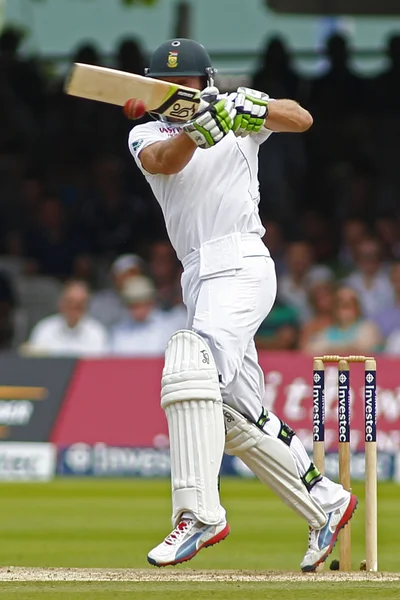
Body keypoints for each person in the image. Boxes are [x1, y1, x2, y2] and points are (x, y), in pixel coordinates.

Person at [126, 38, 356, 572]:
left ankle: (198, 514)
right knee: (233, 415)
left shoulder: (237, 113)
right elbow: (164, 159)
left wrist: (253, 106)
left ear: (206, 80)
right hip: (198, 275)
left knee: (190, 366)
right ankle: (326, 502)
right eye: (169, 85)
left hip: (242, 260)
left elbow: (300, 119)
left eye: (189, 84)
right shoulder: (147, 132)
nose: (180, 92)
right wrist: (194, 131)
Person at [25, 280, 108, 357]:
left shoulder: (97, 332)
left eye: (79, 305)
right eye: (70, 303)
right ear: (61, 303)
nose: (74, 308)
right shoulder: (45, 329)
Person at [109, 275, 185, 356]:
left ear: (151, 302)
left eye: (142, 303)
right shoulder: (119, 332)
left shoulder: (168, 328)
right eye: (133, 305)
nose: (138, 310)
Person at [303, 286, 382, 356]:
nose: (345, 305)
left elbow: (367, 349)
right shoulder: (326, 332)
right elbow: (310, 352)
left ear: (358, 307)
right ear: (335, 307)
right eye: (340, 302)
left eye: (350, 302)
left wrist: (332, 350)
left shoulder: (369, 329)